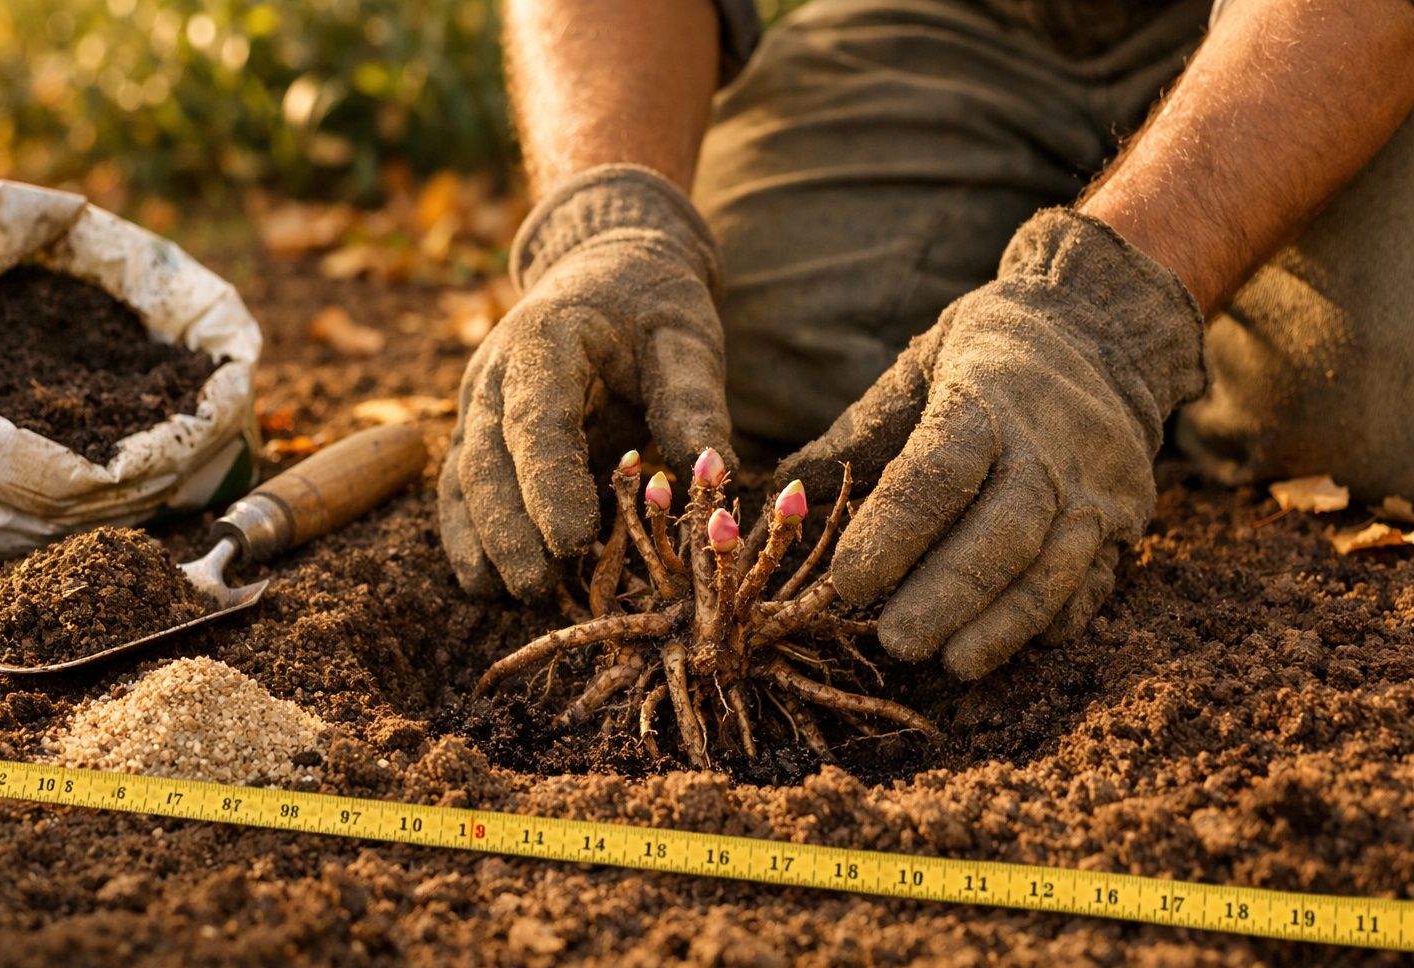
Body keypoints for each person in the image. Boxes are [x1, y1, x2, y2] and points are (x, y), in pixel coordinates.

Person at [438, 0, 1414, 680]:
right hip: (954, 23)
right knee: (723, 345)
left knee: (1378, 391)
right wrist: (608, 221)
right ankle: (1062, 332)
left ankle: (1142, 342)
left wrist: (1112, 316)